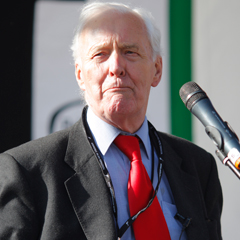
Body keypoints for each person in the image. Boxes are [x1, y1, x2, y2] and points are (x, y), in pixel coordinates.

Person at [0, 2, 222, 240]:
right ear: (80, 75)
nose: (116, 67)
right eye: (100, 54)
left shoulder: (199, 168)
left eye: (130, 52)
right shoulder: (26, 171)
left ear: (157, 69)